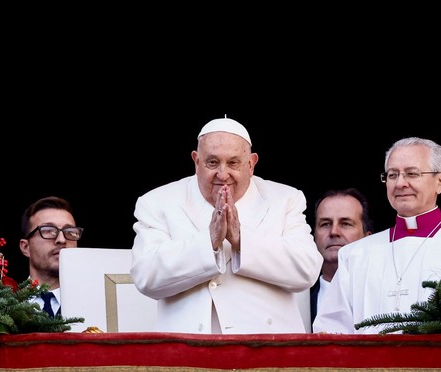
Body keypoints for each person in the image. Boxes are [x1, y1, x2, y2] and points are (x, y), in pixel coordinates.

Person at [130, 116, 322, 334]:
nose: (222, 174)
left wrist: (241, 239)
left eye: (233, 162)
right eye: (212, 162)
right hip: (189, 348)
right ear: (196, 161)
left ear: (251, 164)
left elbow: (307, 270)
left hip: (268, 347)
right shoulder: (158, 202)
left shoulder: (285, 199)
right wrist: (209, 242)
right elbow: (146, 276)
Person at [313, 136, 441, 334]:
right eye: (392, 175)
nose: (400, 183)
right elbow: (332, 330)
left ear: (440, 181)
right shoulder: (355, 254)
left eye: (412, 174)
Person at [310, 188, 373, 323]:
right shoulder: (296, 303)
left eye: (345, 224)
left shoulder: (381, 297)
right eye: (325, 224)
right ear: (314, 237)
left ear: (368, 238)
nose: (334, 232)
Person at [18, 196, 82, 317]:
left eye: (70, 232)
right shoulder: (2, 308)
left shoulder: (97, 302)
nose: (62, 239)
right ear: (26, 247)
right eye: (48, 230)